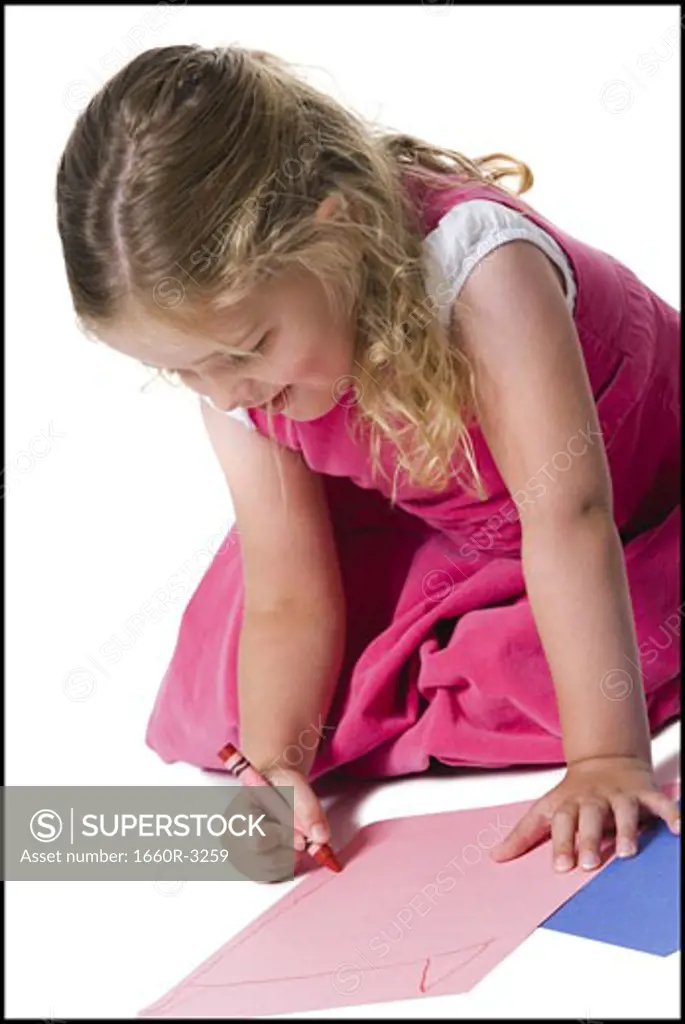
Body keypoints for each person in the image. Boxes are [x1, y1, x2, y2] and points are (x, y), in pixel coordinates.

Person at [56, 44, 680, 876]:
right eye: (181, 370)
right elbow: (284, 586)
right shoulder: (234, 381)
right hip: (455, 517)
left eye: (248, 347)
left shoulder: (478, 271)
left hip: (616, 505)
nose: (225, 393)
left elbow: (568, 519)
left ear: (338, 232)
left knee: (571, 674)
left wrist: (604, 760)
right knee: (225, 700)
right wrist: (278, 764)